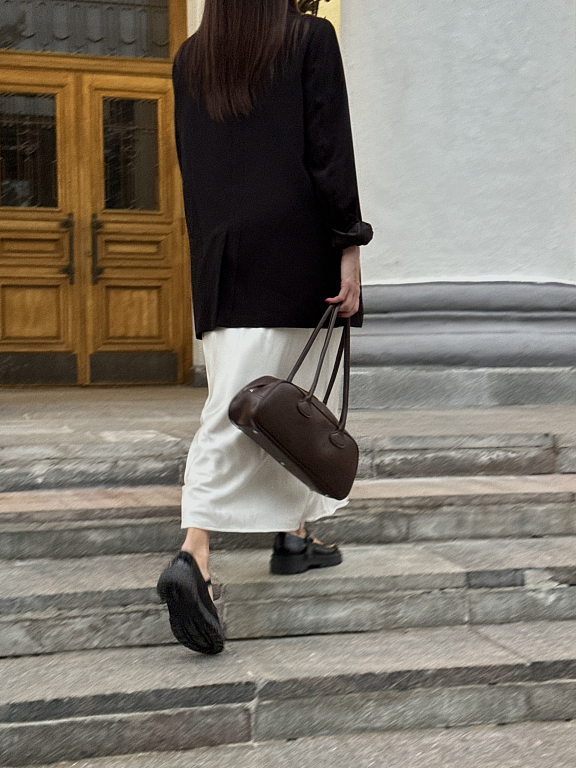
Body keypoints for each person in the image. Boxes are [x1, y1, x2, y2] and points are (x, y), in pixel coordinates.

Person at [156, 0, 373, 655]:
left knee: (257, 401)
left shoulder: (192, 58)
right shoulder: (309, 38)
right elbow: (329, 150)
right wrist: (350, 243)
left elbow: (191, 167)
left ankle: (294, 536)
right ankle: (193, 553)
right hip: (294, 250)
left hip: (223, 258)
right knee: (279, 404)